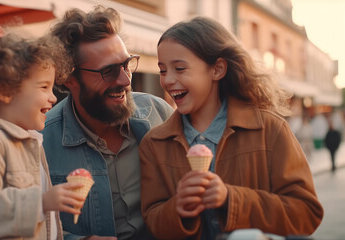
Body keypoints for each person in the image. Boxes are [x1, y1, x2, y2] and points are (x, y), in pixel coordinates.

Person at [139, 17, 323, 240]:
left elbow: (306, 213)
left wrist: (231, 199)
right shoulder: (153, 144)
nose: (167, 80)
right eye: (162, 71)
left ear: (217, 69)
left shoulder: (270, 130)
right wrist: (177, 208)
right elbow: (152, 223)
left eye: (179, 68)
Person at [41, 5, 174, 240]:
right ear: (69, 78)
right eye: (109, 71)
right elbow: (34, 225)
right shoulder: (42, 141)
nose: (124, 80)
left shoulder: (160, 113)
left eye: (126, 64)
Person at [0, 23, 86, 240]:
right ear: (4, 91)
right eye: (43, 87)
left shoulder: (32, 142)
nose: (53, 97)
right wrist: (41, 202)